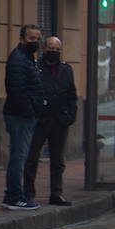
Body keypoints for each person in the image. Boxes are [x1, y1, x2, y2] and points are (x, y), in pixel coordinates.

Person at [24, 37, 77, 206]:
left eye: (57, 49)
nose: (53, 51)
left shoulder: (66, 70)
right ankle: (28, 193)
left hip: (60, 120)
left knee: (57, 160)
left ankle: (56, 193)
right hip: (41, 120)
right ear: (44, 49)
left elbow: (71, 94)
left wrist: (70, 115)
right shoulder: (35, 67)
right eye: (50, 48)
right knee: (32, 158)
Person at [2, 24, 45, 210]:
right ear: (21, 39)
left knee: (19, 156)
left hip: (23, 115)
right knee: (18, 157)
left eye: (37, 38)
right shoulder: (19, 59)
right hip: (20, 116)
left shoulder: (27, 58)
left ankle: (13, 195)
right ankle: (14, 197)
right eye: (31, 38)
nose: (34, 42)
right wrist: (30, 111)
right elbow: (17, 89)